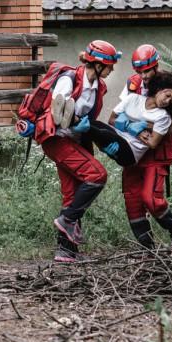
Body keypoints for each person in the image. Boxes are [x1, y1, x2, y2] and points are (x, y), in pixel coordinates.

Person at [41, 40, 121, 263]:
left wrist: (104, 140)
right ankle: (67, 221)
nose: (112, 69)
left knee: (72, 192)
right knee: (97, 175)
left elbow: (91, 120)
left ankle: (65, 251)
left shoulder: (99, 87)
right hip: (57, 139)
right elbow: (57, 112)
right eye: (110, 66)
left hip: (77, 140)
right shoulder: (69, 79)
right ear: (98, 64)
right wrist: (76, 122)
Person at [119, 45, 172, 252]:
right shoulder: (132, 85)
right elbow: (121, 112)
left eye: (147, 70)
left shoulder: (169, 87)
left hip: (157, 150)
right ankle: (147, 249)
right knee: (132, 199)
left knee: (151, 198)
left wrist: (144, 126)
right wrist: (130, 127)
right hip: (133, 148)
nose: (143, 75)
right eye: (139, 71)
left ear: (155, 66)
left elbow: (171, 125)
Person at [71, 71, 172, 170]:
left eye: (171, 101)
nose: (167, 101)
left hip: (131, 153)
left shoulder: (163, 116)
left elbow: (153, 143)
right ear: (159, 88)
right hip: (116, 137)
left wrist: (137, 133)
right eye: (167, 95)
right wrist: (129, 127)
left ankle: (74, 122)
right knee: (97, 124)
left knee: (106, 134)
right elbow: (112, 120)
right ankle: (70, 117)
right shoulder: (133, 99)